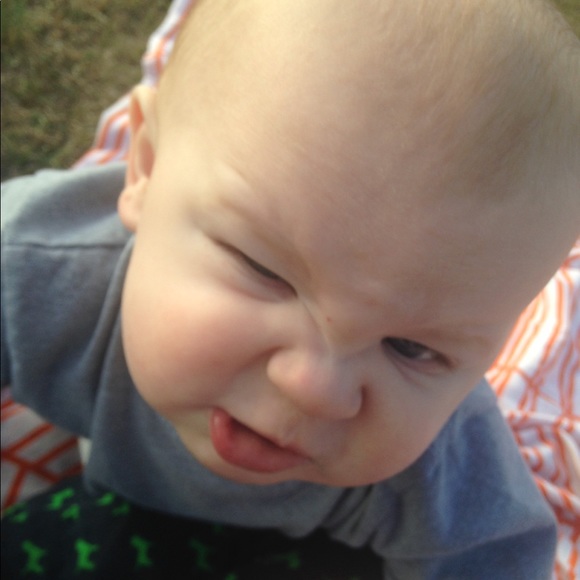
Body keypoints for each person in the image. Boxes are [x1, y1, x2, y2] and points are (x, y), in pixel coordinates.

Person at [2, 0, 579, 577]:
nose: (315, 389)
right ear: (147, 168)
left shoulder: (446, 469)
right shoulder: (34, 275)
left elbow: (496, 556)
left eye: (411, 348)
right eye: (264, 270)